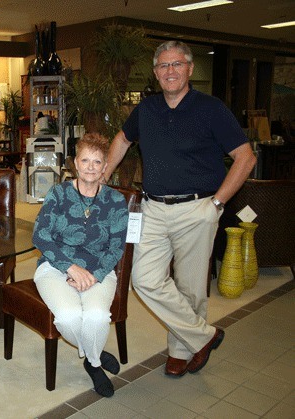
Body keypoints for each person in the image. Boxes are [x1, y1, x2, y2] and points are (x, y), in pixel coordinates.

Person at [104, 41, 257, 377]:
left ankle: (180, 349)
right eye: (163, 66)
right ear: (156, 73)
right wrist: (102, 176)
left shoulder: (212, 109)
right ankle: (204, 336)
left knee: (190, 287)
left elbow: (246, 158)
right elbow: (121, 140)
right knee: (144, 279)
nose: (169, 71)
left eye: (177, 65)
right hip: (153, 208)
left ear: (189, 69)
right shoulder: (146, 109)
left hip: (197, 208)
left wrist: (216, 204)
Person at [32, 133, 129, 397]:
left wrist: (94, 276)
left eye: (97, 162)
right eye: (84, 160)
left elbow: (116, 247)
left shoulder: (116, 202)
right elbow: (40, 235)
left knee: (97, 317)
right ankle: (95, 361)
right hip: (55, 267)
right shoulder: (58, 194)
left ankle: (90, 357)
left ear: (105, 167)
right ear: (75, 163)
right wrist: (70, 267)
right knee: (69, 317)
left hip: (99, 270)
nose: (90, 167)